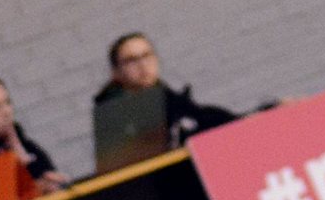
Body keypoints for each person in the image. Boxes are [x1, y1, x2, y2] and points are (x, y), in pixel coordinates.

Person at [93, 33, 237, 144]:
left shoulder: (179, 105)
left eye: (146, 55)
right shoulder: (113, 119)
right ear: (116, 72)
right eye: (131, 60)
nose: (142, 65)